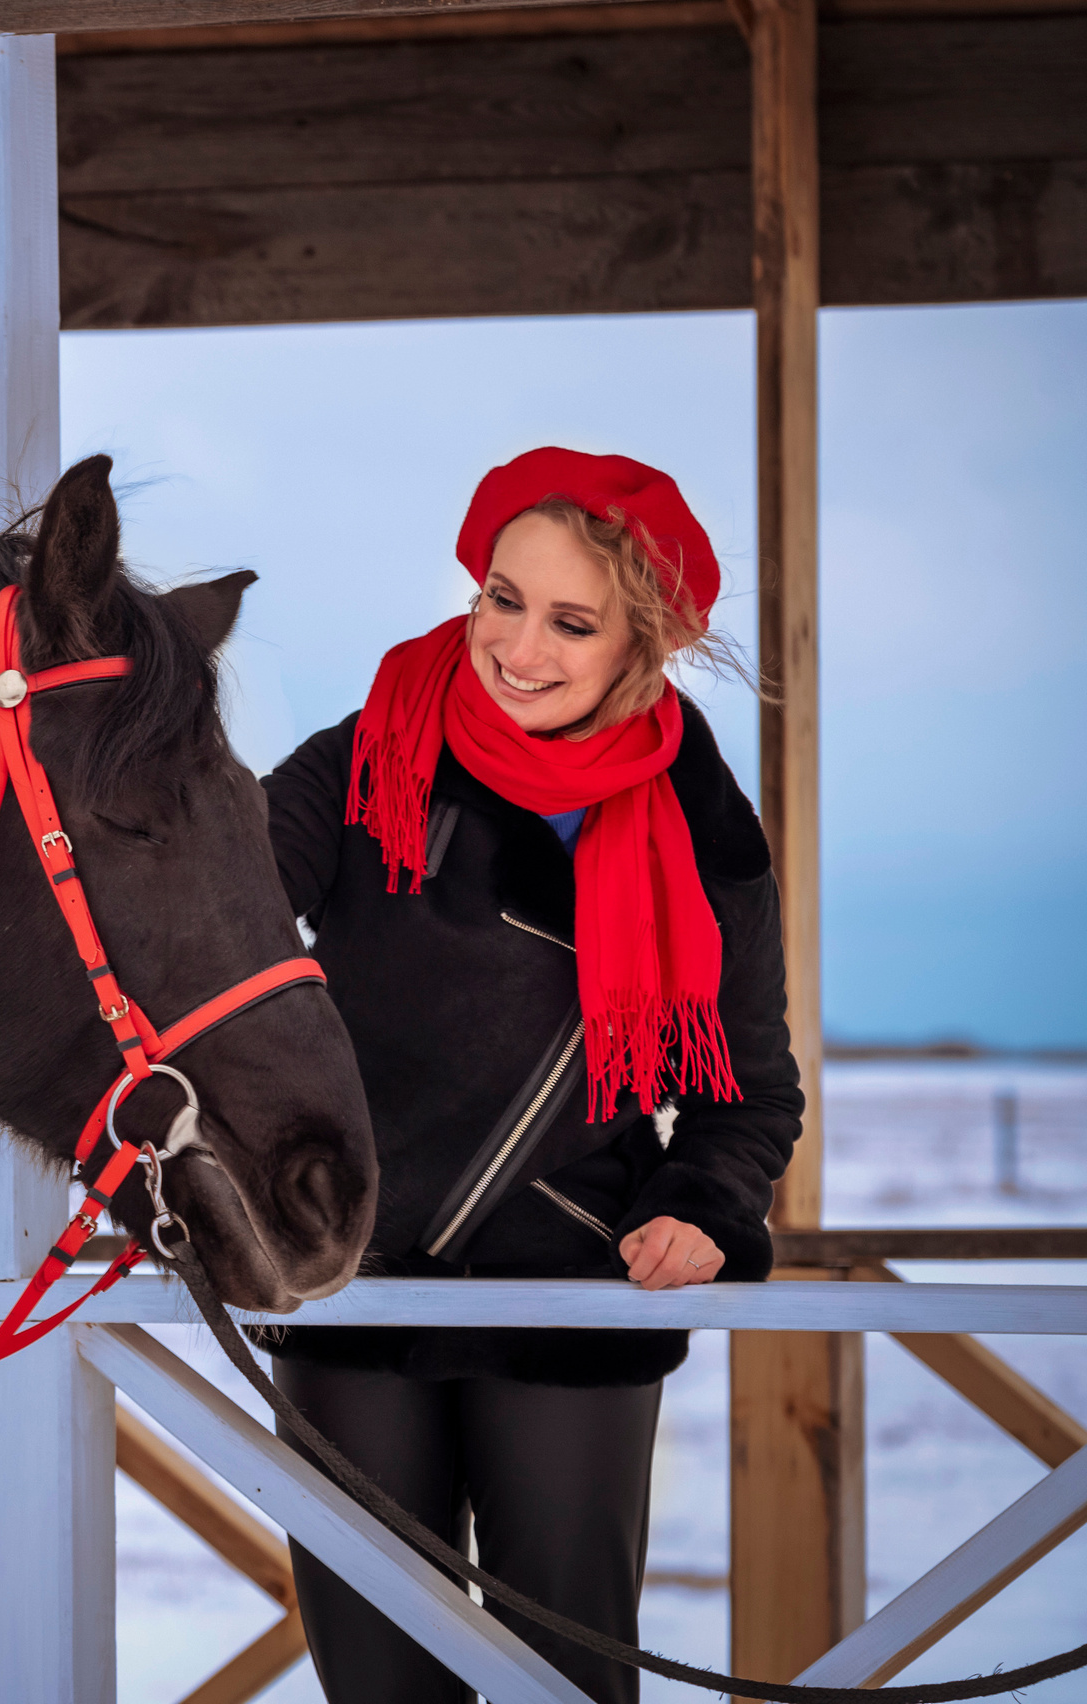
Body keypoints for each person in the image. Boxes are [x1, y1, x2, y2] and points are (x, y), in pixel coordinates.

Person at [258, 447, 803, 1702]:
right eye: (502, 599)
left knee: (566, 1681)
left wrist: (703, 1208)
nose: (516, 649)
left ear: (642, 644)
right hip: (353, 1271)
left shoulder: (707, 831)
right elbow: (208, 913)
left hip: (571, 1286)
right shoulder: (367, 755)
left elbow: (747, 1095)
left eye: (571, 622)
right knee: (381, 1684)